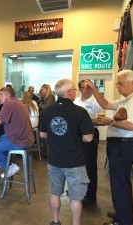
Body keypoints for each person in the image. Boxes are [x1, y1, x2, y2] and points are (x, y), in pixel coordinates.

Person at [84, 70, 133, 225]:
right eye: (117, 84)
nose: (118, 87)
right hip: (119, 145)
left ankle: (124, 220)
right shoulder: (126, 100)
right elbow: (106, 104)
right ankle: (122, 211)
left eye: (121, 83)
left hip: (123, 145)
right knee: (120, 181)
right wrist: (94, 90)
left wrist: (110, 122)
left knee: (119, 182)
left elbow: (132, 125)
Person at [39, 79, 94, 225]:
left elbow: (42, 135)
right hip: (74, 161)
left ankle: (55, 221)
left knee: (55, 193)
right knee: (76, 198)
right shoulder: (80, 112)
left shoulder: (47, 111)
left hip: (54, 160)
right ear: (69, 92)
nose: (75, 92)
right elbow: (88, 138)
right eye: (75, 90)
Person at [0, 87, 34, 178]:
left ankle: (10, 166)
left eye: (1, 95)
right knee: (3, 137)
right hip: (27, 139)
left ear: (8, 95)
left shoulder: (9, 104)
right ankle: (1, 161)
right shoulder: (17, 102)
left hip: (20, 141)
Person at [74, 80, 102, 207]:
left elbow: (100, 120)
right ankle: (79, 191)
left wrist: (84, 120)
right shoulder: (75, 101)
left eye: (90, 87)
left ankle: (90, 196)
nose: (87, 90)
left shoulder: (96, 102)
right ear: (79, 89)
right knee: (78, 164)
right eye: (84, 87)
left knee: (89, 165)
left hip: (91, 134)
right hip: (77, 136)